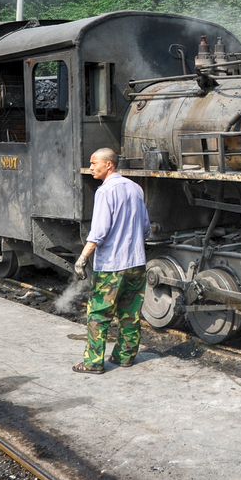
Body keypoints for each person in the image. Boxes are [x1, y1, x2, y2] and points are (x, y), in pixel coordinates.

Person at [73, 148, 150, 374]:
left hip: (111, 267)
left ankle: (93, 362)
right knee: (130, 313)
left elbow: (99, 231)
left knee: (98, 314)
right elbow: (145, 227)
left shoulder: (105, 191)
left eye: (94, 162)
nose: (91, 167)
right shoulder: (136, 189)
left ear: (109, 165)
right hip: (136, 263)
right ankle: (125, 357)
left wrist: (82, 258)